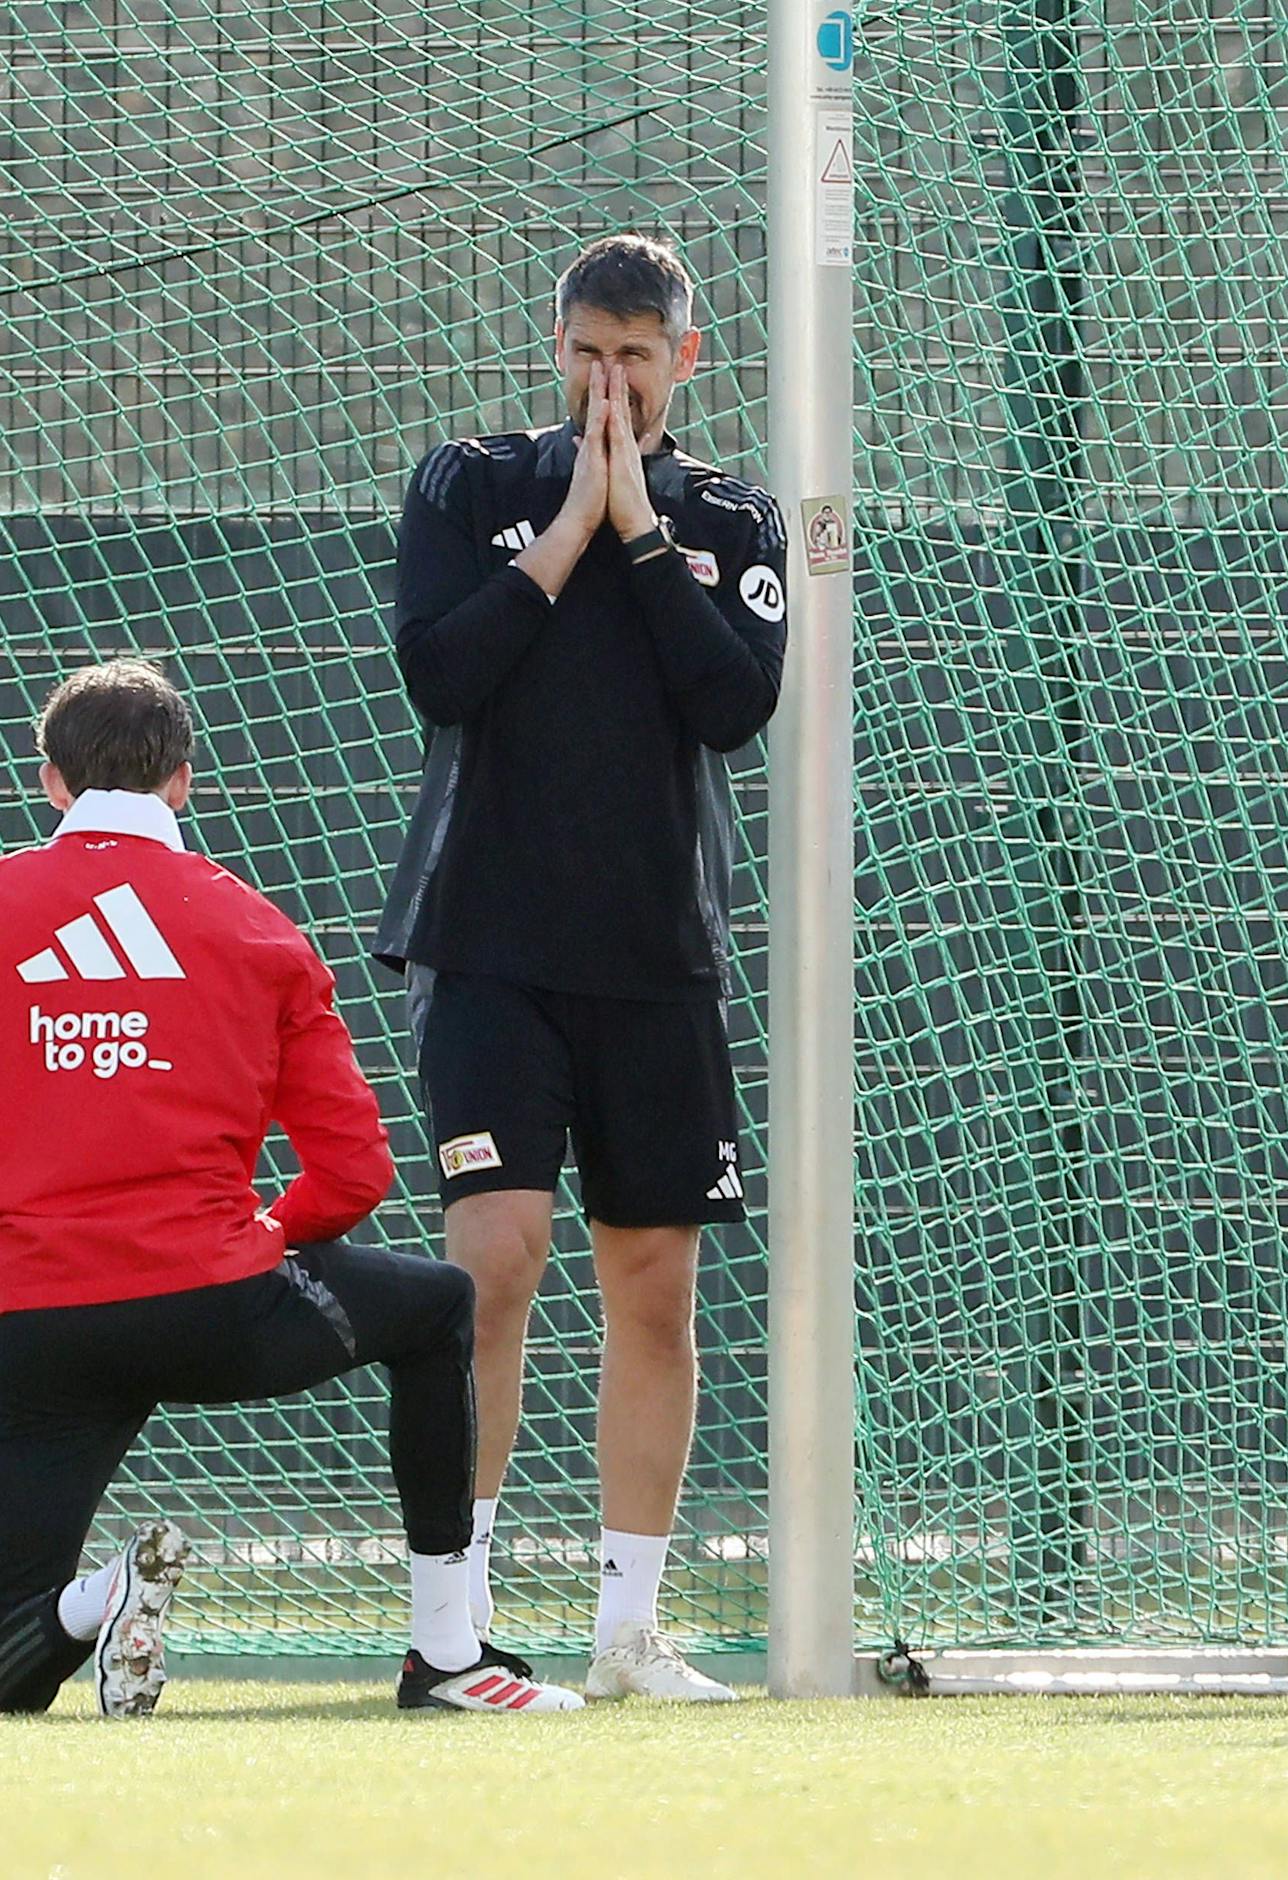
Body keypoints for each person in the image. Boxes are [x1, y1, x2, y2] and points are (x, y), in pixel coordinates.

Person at [0, 660, 581, 1716]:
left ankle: (91, 1603)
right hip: (214, 1302)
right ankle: (446, 1654)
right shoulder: (257, 928)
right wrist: (261, 1236)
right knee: (438, 1305)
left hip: (31, 1324)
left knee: (7, 1668)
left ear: (49, 782)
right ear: (183, 781)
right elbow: (355, 1171)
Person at [373, 232, 786, 1702]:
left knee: (654, 1285)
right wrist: (566, 533)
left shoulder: (733, 517)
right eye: (588, 353)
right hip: (489, 947)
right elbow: (439, 672)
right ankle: (455, 1622)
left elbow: (734, 704)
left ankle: (628, 1632)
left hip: (658, 960)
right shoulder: (468, 483)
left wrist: (643, 536)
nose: (611, 382)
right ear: (556, 348)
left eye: (637, 356)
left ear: (685, 359)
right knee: (492, 1262)